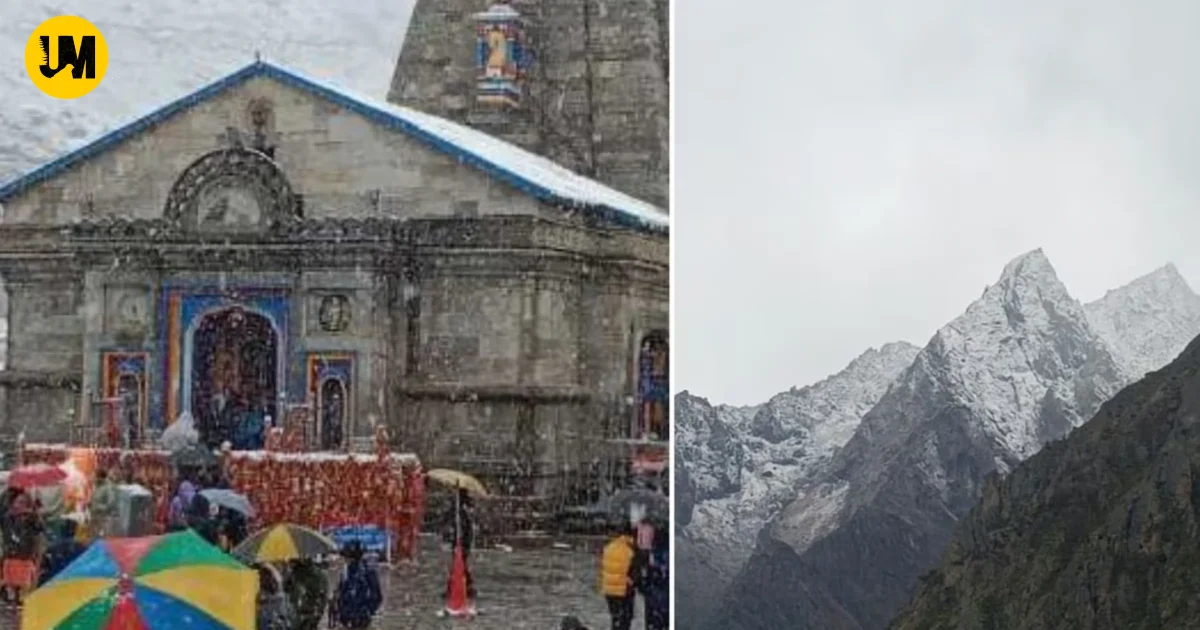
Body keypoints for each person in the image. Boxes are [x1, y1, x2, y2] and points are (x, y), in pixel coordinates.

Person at [331, 542, 382, 629]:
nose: (346, 560)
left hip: (361, 618)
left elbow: (376, 596)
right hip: (345, 618)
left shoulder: (368, 572)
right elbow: (341, 591)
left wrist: (367, 612)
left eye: (347, 557)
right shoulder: (345, 572)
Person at [599, 526, 639, 630]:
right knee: (625, 620)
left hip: (609, 590)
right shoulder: (630, 549)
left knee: (615, 618)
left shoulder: (609, 547)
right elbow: (635, 570)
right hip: (624, 589)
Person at [442, 488, 476, 603]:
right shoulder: (459, 510)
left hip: (461, 541)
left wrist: (458, 536)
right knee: (461, 563)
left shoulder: (460, 511)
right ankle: (467, 586)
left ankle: (456, 587)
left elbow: (463, 527)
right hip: (462, 540)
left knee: (459, 563)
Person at [37, 519, 86, 587]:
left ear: (63, 529)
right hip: (73, 580)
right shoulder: (82, 547)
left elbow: (44, 562)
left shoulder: (53, 546)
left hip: (54, 579)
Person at [285, 558, 329, 630]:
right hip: (301, 612)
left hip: (305, 613)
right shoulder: (294, 574)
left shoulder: (302, 574)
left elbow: (322, 597)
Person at [255, 563, 294, 630]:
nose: (262, 579)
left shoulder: (276, 588)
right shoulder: (264, 590)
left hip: (274, 618)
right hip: (269, 618)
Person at [91, 469, 119, 538]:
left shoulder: (108, 487)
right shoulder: (97, 486)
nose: (94, 478)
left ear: (100, 477)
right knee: (95, 537)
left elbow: (111, 502)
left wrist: (99, 507)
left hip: (104, 518)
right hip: (96, 516)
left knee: (103, 538)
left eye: (95, 476)